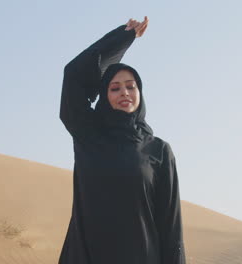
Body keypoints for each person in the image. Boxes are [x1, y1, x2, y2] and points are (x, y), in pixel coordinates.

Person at [59, 16, 186, 264]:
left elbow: (171, 225)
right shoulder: (88, 134)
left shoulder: (159, 150)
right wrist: (122, 38)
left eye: (131, 86)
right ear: (104, 95)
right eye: (115, 88)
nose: (124, 93)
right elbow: (73, 74)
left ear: (140, 92)